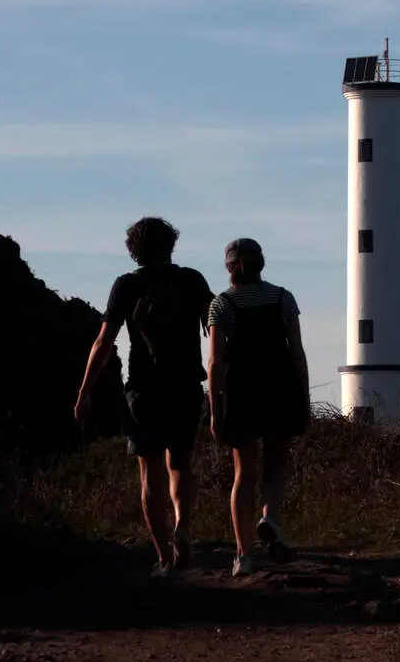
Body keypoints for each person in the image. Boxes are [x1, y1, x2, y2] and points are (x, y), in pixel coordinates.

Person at [74, 216, 214, 578]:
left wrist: (84, 392)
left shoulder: (127, 285)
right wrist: (219, 384)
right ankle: (183, 524)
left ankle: (164, 558)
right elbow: (218, 332)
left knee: (149, 474)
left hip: (143, 389)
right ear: (171, 245)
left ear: (134, 250)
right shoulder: (192, 280)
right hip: (185, 386)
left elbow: (104, 342)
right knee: (180, 465)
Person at [206, 238, 311, 577]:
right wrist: (304, 396)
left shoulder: (221, 304)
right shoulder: (282, 297)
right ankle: (270, 519)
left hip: (242, 392)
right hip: (280, 389)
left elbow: (215, 362)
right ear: (260, 263)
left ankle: (243, 553)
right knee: (276, 467)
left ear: (230, 267)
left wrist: (214, 407)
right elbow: (297, 351)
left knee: (244, 473)